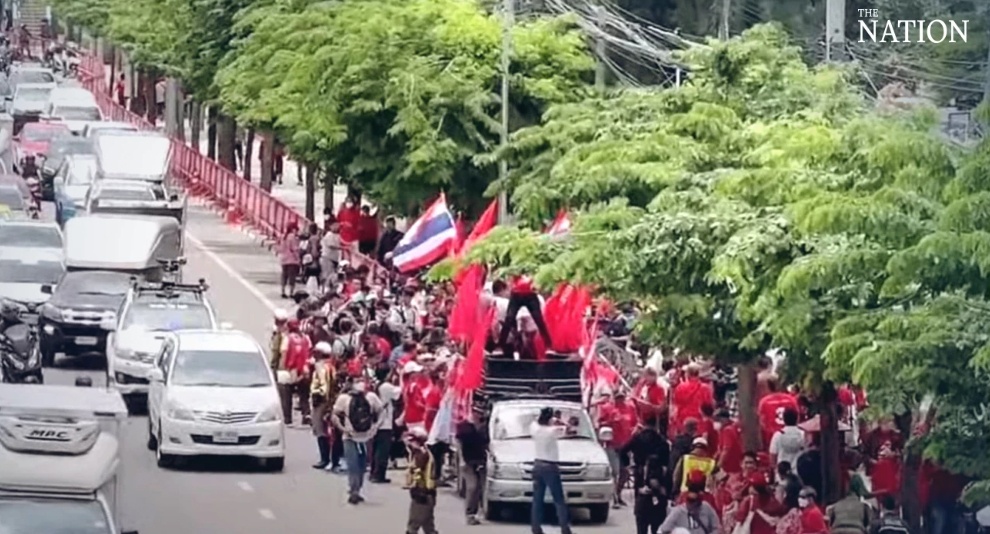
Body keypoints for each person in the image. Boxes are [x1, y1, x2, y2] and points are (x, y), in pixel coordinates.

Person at [332, 378, 385, 504]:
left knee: (360, 466)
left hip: (361, 437)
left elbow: (334, 416)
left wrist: (375, 427)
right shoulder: (346, 398)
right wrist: (344, 429)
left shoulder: (369, 397)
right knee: (354, 465)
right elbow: (335, 416)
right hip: (352, 437)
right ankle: (354, 490)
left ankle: (357, 489)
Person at [531, 406, 573, 534]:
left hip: (537, 464)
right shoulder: (552, 431)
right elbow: (569, 428)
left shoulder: (534, 428)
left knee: (537, 499)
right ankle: (564, 528)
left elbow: (535, 420)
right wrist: (560, 421)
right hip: (550, 466)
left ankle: (536, 527)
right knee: (558, 499)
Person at [496, 275, 552, 358]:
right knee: (509, 319)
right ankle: (500, 345)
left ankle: (549, 345)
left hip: (528, 294)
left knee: (539, 319)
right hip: (517, 294)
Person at [599, 389, 638, 507]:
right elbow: (600, 423)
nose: (620, 400)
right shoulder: (607, 408)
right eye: (617, 397)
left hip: (626, 444)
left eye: (622, 397)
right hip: (612, 444)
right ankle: (615, 499)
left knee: (625, 472)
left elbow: (635, 422)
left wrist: (634, 431)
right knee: (615, 471)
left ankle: (618, 493)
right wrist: (610, 421)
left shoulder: (630, 408)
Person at [404, 426, 438, 534]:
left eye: (411, 440)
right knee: (428, 524)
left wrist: (412, 485)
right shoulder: (422, 452)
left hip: (422, 493)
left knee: (414, 523)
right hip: (428, 494)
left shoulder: (421, 455)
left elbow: (416, 473)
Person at [456, 416, 489, 525]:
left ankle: (476, 512)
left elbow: (486, 444)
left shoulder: (485, 426)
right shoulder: (465, 427)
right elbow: (459, 443)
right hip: (467, 461)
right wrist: (461, 459)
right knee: (472, 486)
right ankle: (469, 513)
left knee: (480, 487)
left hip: (480, 460)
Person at [279, 318, 312, 425]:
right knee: (304, 395)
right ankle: (306, 414)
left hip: (290, 371)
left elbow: (284, 354)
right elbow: (309, 352)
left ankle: (288, 418)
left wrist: (282, 368)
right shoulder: (305, 338)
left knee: (286, 395)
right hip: (304, 370)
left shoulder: (287, 338)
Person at [309, 341, 336, 469]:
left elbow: (325, 386)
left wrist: (317, 395)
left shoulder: (321, 367)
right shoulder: (331, 365)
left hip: (321, 401)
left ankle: (324, 458)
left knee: (320, 430)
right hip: (328, 401)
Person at [371, 368, 400, 483]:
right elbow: (399, 393)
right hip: (385, 422)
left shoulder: (376, 385)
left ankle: (374, 472)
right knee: (383, 450)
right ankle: (379, 475)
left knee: (376, 448)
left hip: (376, 421)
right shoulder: (386, 387)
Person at [634, 453, 668, 534]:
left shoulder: (664, 472)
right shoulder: (641, 471)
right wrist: (642, 490)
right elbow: (637, 487)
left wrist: (659, 488)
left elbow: (668, 490)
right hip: (644, 506)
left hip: (657, 507)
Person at [769, 408, 805, 477]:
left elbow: (772, 457)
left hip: (782, 475)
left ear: (784, 419)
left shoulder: (778, 435)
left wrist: (776, 471)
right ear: (797, 418)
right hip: (800, 474)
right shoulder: (802, 434)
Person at [278, 223, 301, 298]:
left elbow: (280, 247)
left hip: (284, 259)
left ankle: (283, 291)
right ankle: (291, 293)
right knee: (292, 277)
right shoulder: (293, 237)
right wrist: (298, 258)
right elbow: (294, 248)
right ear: (293, 229)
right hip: (292, 259)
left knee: (284, 276)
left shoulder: (283, 237)